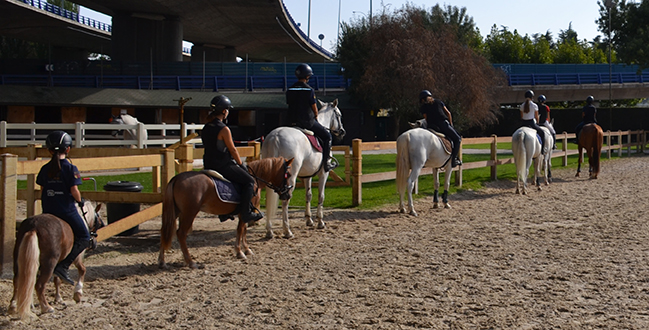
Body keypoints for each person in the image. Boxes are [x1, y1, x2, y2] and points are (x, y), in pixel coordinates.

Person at [37, 130, 95, 285]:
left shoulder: (44, 168)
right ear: (68, 149)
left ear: (49, 150)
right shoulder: (71, 168)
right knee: (84, 236)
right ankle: (63, 266)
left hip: (48, 209)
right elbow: (74, 190)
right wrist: (80, 201)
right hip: (66, 210)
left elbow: (42, 190)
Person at [202, 95, 263, 223]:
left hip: (208, 164)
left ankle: (225, 211)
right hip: (222, 165)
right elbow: (233, 149)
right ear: (224, 111)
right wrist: (241, 165)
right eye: (228, 110)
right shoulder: (224, 129)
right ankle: (246, 213)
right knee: (249, 181)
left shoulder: (206, 127)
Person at [286, 63, 336, 172]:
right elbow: (314, 108)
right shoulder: (309, 90)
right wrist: (316, 116)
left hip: (291, 122)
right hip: (307, 122)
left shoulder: (290, 89)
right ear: (307, 76)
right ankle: (327, 163)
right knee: (327, 137)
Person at [418, 90, 462, 168]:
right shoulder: (438, 102)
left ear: (422, 99)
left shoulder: (423, 107)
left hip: (432, 126)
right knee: (457, 139)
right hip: (443, 124)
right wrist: (451, 124)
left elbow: (426, 118)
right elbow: (448, 113)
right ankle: (454, 160)